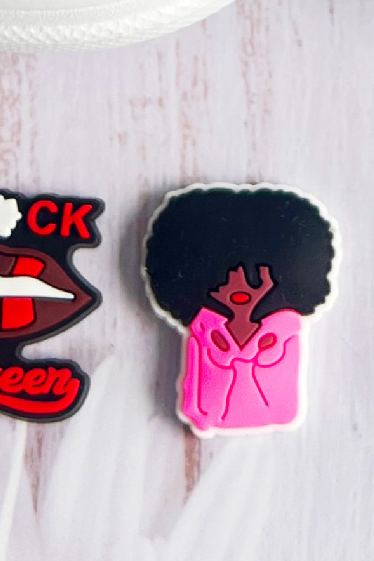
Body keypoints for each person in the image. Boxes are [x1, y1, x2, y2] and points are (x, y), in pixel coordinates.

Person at [141, 184, 336, 435]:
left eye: (255, 272)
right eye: (223, 273)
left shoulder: (285, 334)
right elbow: (198, 402)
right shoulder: (203, 332)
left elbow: (284, 405)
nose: (239, 281)